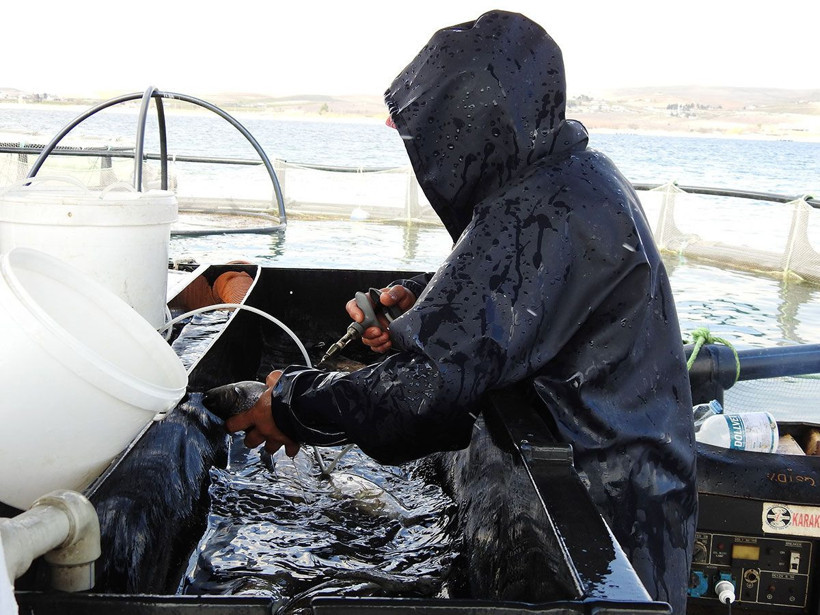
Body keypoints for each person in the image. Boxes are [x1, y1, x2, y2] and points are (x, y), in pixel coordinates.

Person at [226, 10, 697, 612]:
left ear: (471, 127)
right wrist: (429, 302)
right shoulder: (576, 175)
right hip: (634, 483)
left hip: (609, 514)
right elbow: (527, 294)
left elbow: (424, 392)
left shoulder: (537, 210)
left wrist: (292, 405)